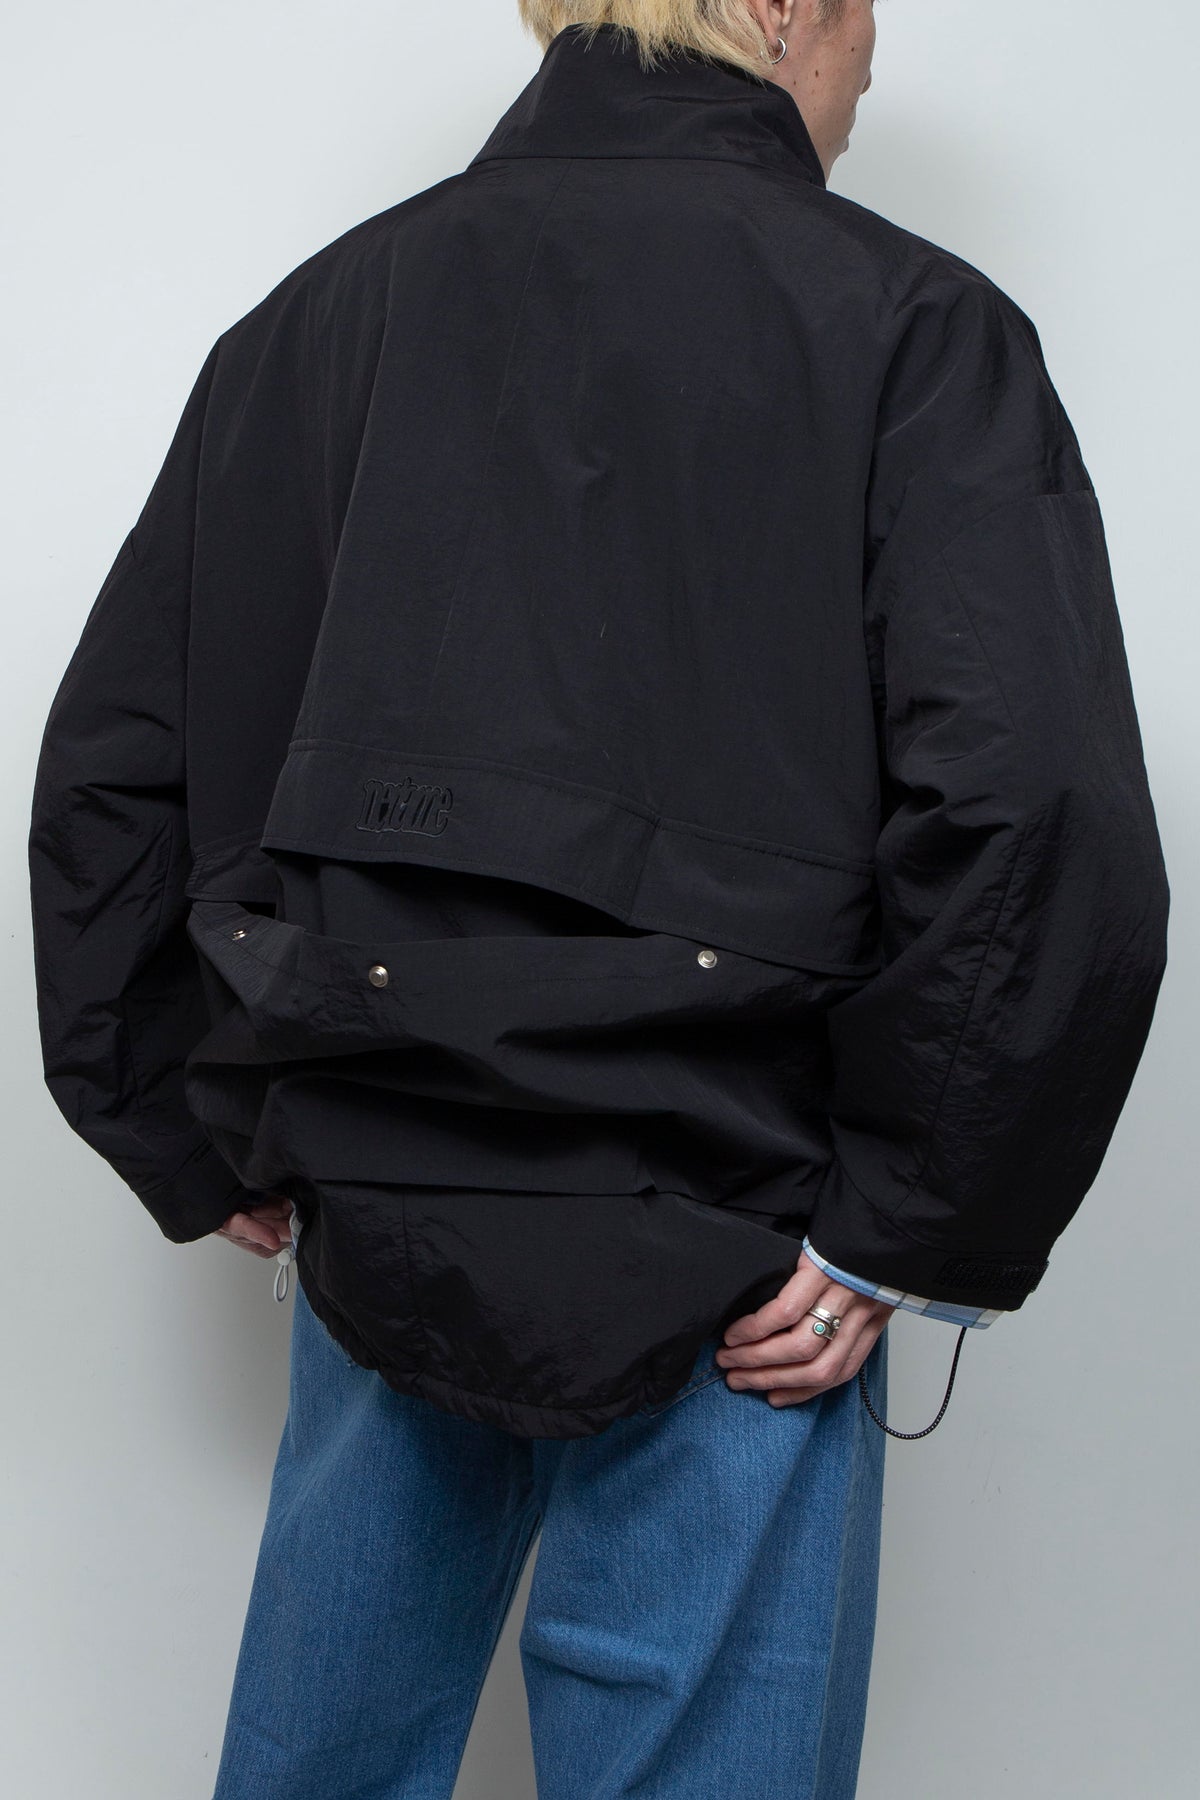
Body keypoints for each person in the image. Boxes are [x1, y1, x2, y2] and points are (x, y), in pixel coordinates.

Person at [27, 3, 1169, 1795]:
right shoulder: (913, 324)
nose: (869, 69)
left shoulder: (316, 321)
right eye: (863, 18)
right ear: (782, 7)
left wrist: (177, 1110)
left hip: (379, 1192)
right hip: (742, 1232)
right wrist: (906, 1221)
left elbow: (120, 765)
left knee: (322, 1766)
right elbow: (1038, 809)